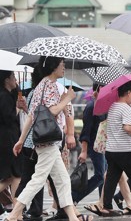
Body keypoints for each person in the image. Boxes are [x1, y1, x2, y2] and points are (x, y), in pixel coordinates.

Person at [7, 57, 91, 221]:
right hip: (49, 141)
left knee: (63, 180)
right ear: (53, 67)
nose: (64, 68)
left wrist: (21, 140)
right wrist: (67, 99)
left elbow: (32, 115)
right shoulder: (50, 85)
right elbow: (52, 111)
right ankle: (13, 214)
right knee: (39, 179)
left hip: (45, 141)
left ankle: (72, 217)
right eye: (62, 65)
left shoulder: (41, 85)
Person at [100, 80, 131, 216]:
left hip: (112, 150)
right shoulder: (125, 107)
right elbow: (127, 128)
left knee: (112, 178)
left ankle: (106, 207)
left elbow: (120, 124)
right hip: (124, 150)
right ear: (128, 92)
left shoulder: (113, 106)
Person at [73, 83, 106, 205]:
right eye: (104, 87)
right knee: (100, 176)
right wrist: (84, 151)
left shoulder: (102, 106)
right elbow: (85, 131)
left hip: (102, 146)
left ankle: (104, 203)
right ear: (98, 89)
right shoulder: (91, 106)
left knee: (104, 176)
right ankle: (74, 197)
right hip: (94, 146)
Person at [0, 70, 22, 207]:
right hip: (9, 140)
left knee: (12, 176)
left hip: (7, 139)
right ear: (6, 80)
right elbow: (8, 118)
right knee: (16, 175)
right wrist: (18, 108)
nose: (15, 79)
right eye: (13, 77)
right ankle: (16, 210)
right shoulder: (4, 96)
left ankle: (16, 209)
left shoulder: (7, 95)